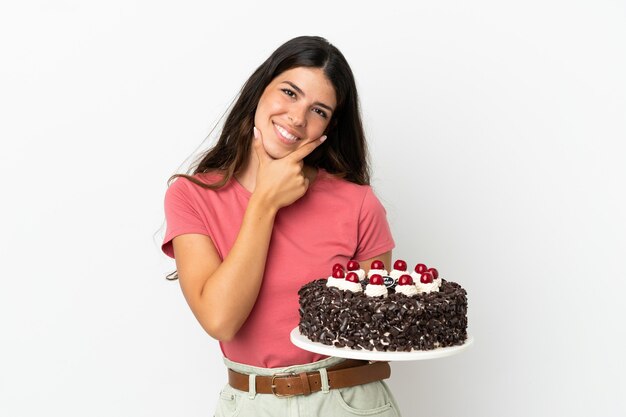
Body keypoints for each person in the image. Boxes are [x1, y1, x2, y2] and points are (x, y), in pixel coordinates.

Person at [161, 35, 402, 416]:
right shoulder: (192, 197)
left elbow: (373, 328)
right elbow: (221, 320)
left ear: (328, 126)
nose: (297, 117)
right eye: (289, 93)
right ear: (260, 89)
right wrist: (265, 202)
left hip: (347, 402)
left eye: (318, 110)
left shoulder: (357, 203)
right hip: (250, 403)